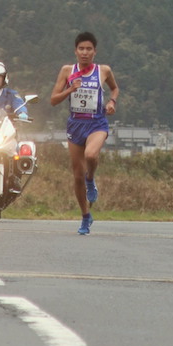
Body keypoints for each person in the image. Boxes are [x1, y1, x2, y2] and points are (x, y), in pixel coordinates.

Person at [50, 32, 119, 235]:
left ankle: (91, 179)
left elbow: (115, 89)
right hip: (75, 125)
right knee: (77, 176)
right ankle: (85, 216)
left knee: (90, 155)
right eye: (81, 49)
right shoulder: (67, 71)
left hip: (96, 123)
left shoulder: (103, 70)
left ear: (94, 52)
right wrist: (70, 90)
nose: (85, 52)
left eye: (89, 49)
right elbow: (53, 100)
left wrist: (112, 102)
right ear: (75, 51)